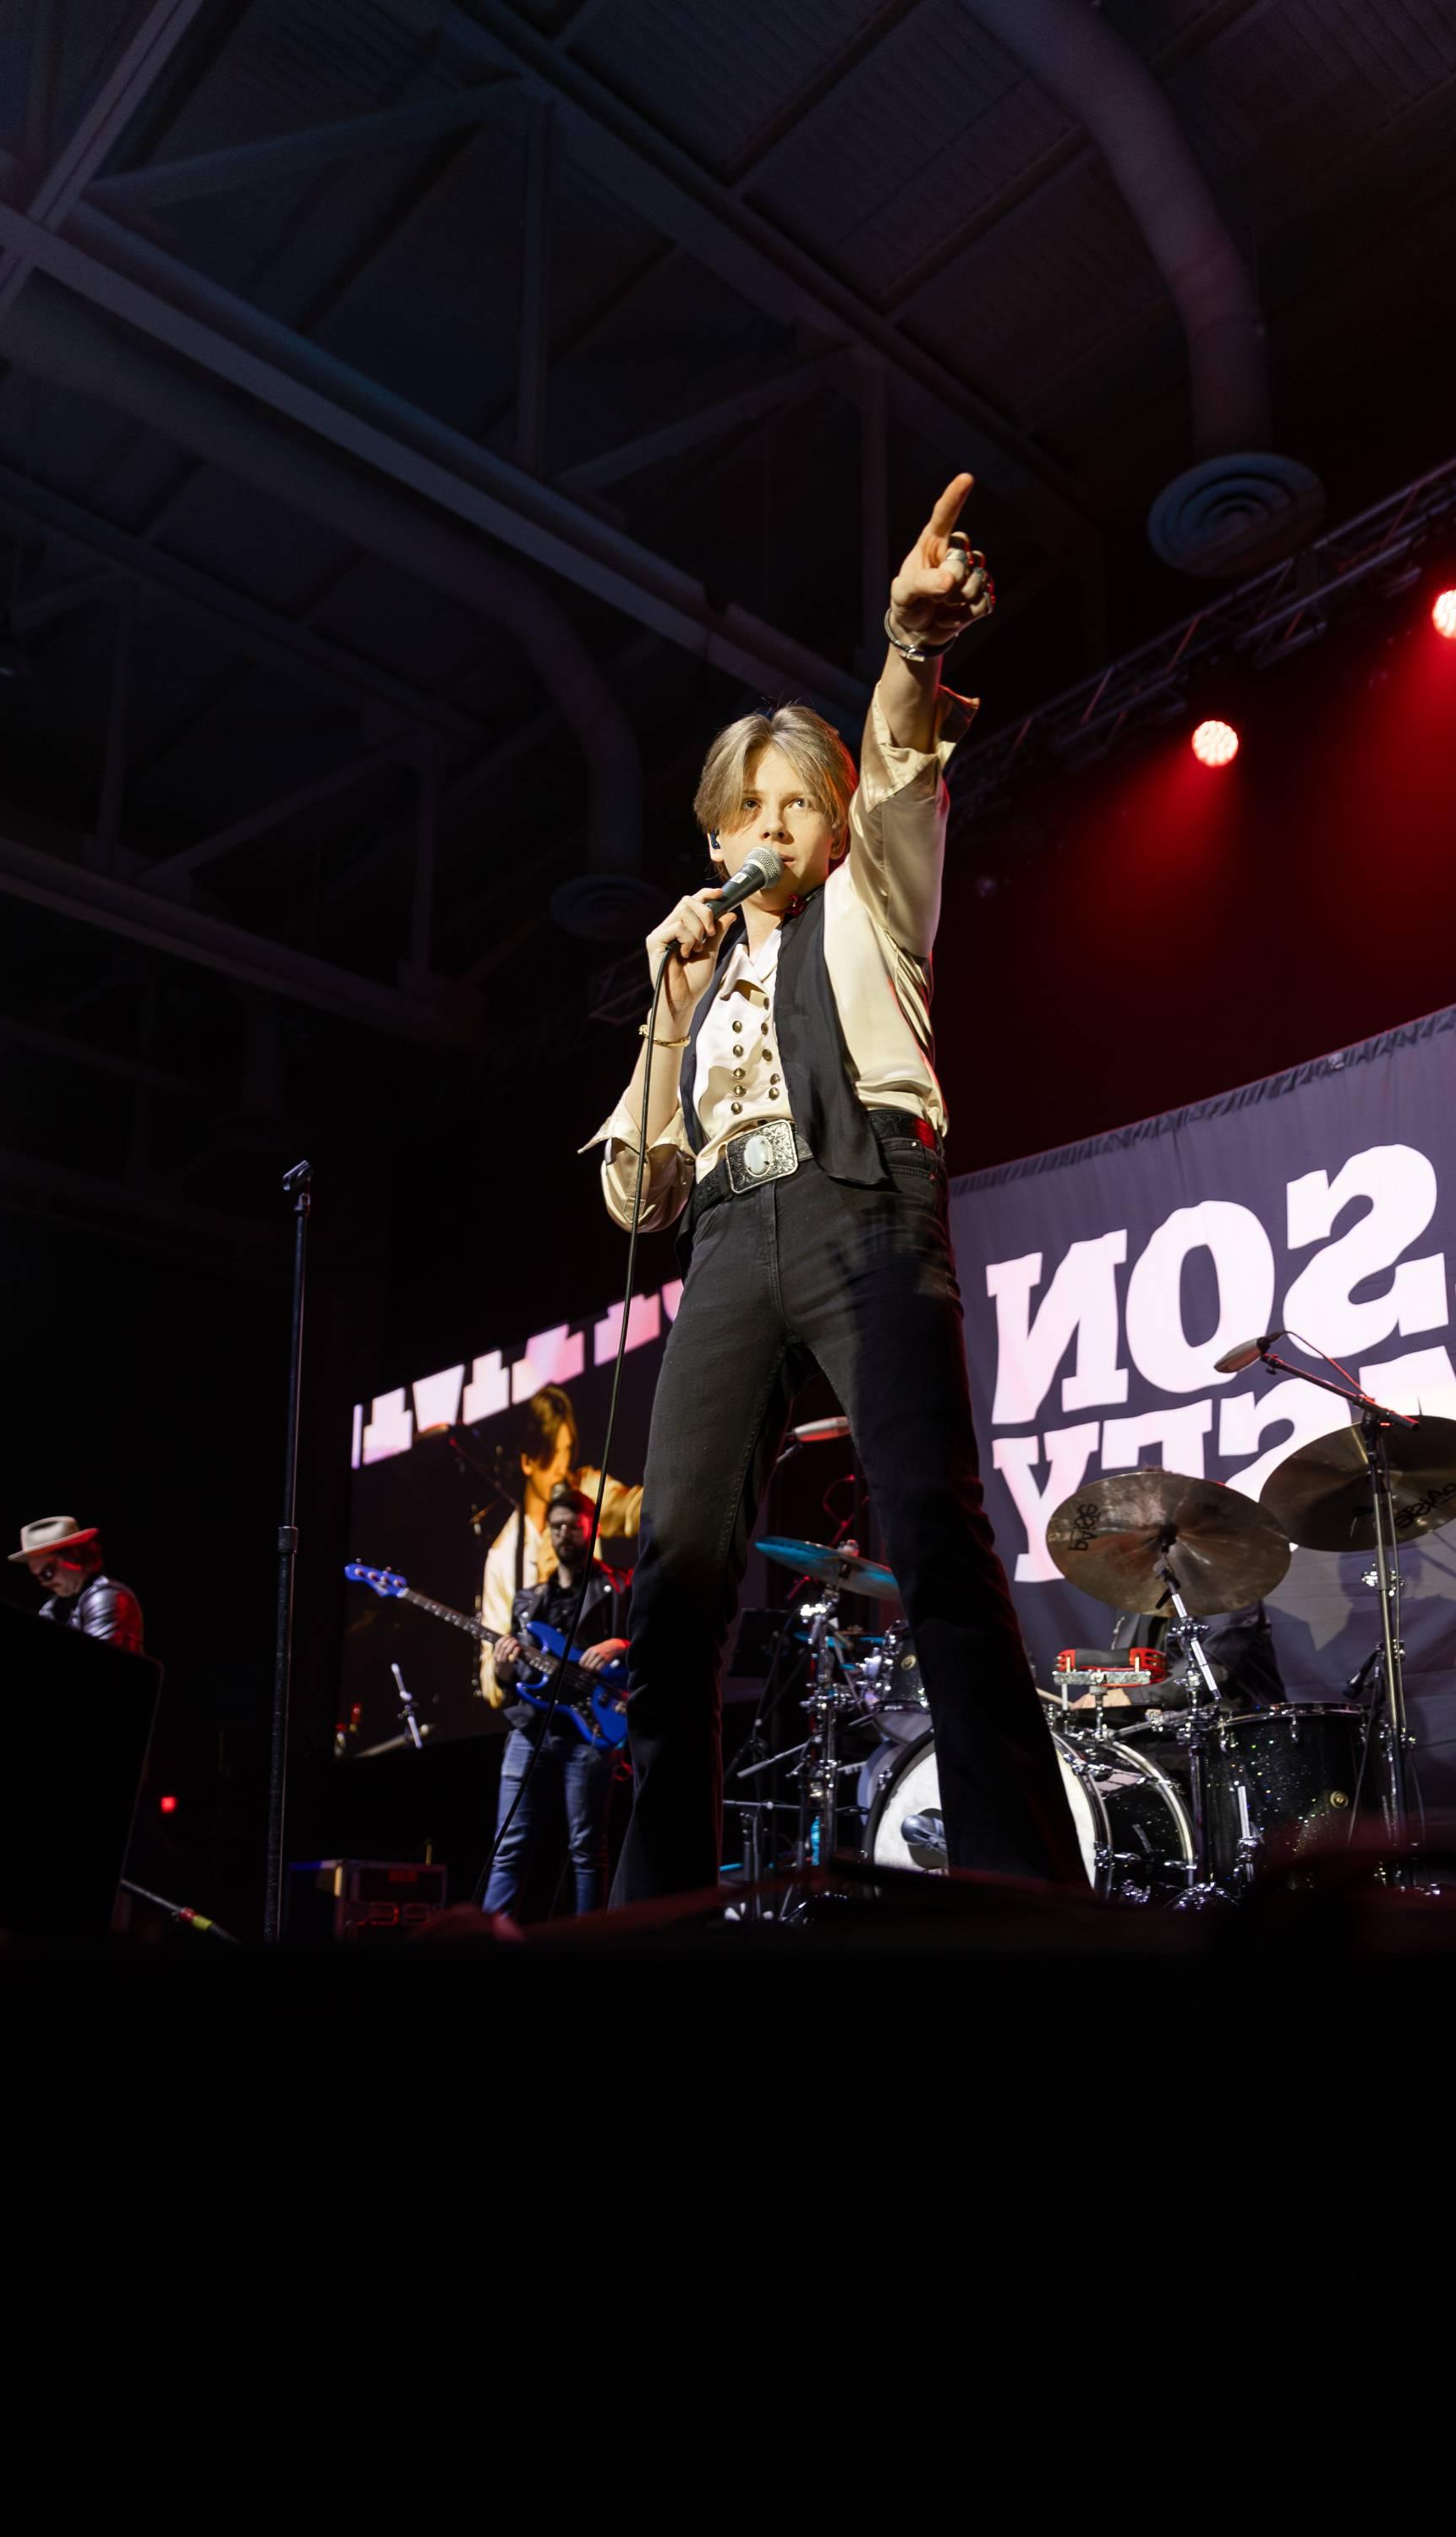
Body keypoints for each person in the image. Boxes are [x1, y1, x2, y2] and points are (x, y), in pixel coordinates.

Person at [586, 473, 1087, 1902]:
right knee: (678, 1568)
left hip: (864, 1195)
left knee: (929, 1523)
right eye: (756, 811)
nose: (782, 829)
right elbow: (639, 1197)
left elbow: (903, 751)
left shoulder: (876, 892)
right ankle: (656, 1902)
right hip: (734, 1235)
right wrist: (665, 1008)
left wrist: (912, 645)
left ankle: (1023, 1883)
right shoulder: (696, 975)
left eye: (805, 805)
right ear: (717, 836)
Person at [484, 1483, 630, 1919]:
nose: (563, 1534)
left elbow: (651, 1645)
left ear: (592, 1528)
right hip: (531, 1730)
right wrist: (504, 1667)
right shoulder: (531, 1601)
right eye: (556, 1527)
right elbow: (514, 1679)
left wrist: (619, 1643)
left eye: (572, 1526)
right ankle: (490, 1937)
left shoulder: (619, 1587)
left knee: (587, 1852)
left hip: (591, 1733)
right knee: (508, 1847)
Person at [476, 1383, 641, 1708]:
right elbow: (490, 1681)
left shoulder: (584, 1493)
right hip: (544, 1709)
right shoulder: (503, 1558)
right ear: (527, 1462)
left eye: (567, 1452)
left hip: (601, 1696)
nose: (562, 1469)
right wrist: (502, 1667)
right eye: (553, 1456)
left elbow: (635, 1509)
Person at [9, 1515, 145, 1654]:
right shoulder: (53, 1608)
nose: (44, 1583)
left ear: (73, 1557)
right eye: (37, 1577)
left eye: (47, 1573)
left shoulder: (107, 1597)